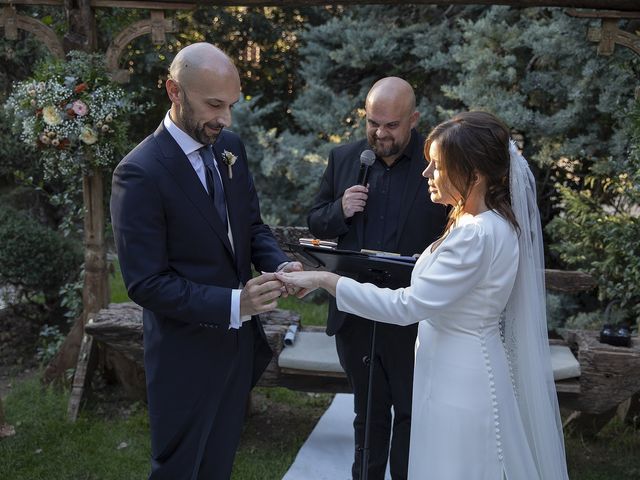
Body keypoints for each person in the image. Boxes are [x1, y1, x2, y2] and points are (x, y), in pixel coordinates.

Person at [279, 111, 570, 480]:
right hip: (457, 364)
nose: (425, 173)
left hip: (459, 378)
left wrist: (325, 279)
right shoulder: (487, 221)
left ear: (474, 174)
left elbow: (406, 306)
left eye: (437, 165)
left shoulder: (475, 234)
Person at [110, 43, 301, 480]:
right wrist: (237, 304)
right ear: (174, 91)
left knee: (218, 465)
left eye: (231, 105)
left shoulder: (229, 147)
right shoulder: (139, 172)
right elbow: (146, 283)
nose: (225, 119)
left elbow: (251, 227)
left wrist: (281, 266)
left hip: (237, 352)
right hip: (184, 357)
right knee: (178, 469)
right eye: (214, 105)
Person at [307, 77, 447, 479]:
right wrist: (340, 210)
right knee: (366, 412)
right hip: (355, 314)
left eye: (391, 125)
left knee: (409, 412)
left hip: (412, 317)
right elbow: (315, 220)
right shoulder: (345, 158)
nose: (380, 134)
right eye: (373, 123)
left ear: (414, 120)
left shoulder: (435, 164)